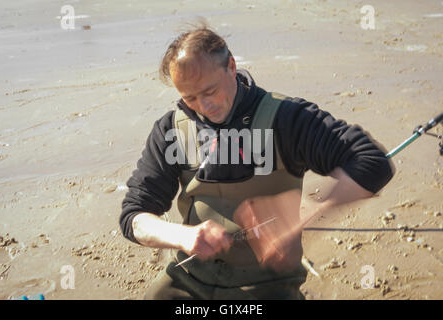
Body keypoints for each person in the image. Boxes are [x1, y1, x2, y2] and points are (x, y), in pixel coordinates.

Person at [119, 26, 394, 300]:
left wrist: (310, 210)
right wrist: (182, 236)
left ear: (231, 66)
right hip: (190, 280)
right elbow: (134, 217)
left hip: (267, 285)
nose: (204, 107)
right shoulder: (172, 130)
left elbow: (371, 162)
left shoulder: (287, 118)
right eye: (189, 98)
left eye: (210, 91)